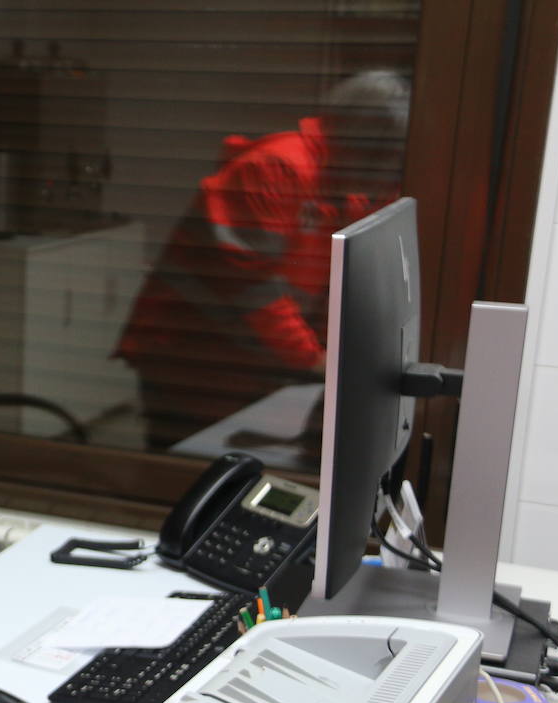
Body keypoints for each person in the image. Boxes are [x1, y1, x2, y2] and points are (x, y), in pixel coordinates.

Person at [118, 70, 410, 449]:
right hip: (188, 351)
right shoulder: (275, 170)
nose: (390, 171)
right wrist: (316, 362)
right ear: (368, 142)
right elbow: (252, 289)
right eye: (390, 156)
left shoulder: (342, 188)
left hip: (245, 357)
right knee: (187, 471)